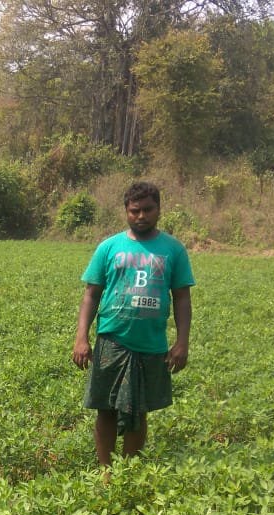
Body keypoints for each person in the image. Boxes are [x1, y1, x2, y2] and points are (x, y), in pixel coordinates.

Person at [71, 181, 194, 467]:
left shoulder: (173, 249)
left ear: (159, 210)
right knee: (106, 410)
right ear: (126, 211)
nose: (141, 216)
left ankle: (129, 471)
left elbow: (182, 298)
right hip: (112, 339)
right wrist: (81, 338)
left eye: (148, 210)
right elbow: (91, 294)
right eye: (134, 210)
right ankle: (105, 472)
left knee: (139, 410)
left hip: (151, 343)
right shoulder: (109, 247)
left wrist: (182, 341)